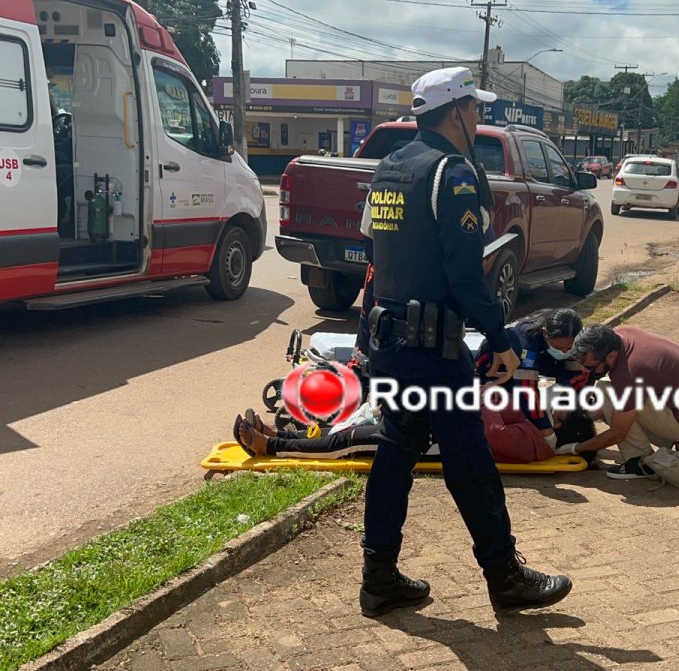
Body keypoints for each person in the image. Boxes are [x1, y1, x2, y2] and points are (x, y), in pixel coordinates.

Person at [356, 67, 572, 617]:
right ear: (455, 113)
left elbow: (376, 258)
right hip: (434, 350)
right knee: (469, 458)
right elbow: (464, 275)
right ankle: (504, 575)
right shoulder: (454, 173)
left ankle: (378, 576)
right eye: (475, 109)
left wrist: (367, 335)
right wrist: (501, 339)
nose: (479, 117)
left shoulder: (391, 167)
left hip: (392, 343)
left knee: (396, 451)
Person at [558, 324, 679, 480]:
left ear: (610, 356)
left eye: (591, 367)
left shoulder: (630, 373)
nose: (588, 371)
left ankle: (639, 461)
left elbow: (618, 434)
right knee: (614, 404)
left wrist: (575, 448)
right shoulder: (620, 336)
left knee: (607, 393)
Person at [232, 403, 596, 465]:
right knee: (353, 429)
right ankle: (279, 433)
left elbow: (492, 430)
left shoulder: (537, 443)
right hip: (433, 427)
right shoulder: (535, 424)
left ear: (562, 425)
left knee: (349, 442)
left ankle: (271, 447)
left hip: (433, 445)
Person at [473, 308, 592, 443]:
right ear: (545, 333)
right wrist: (547, 433)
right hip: (496, 371)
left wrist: (558, 394)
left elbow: (581, 373)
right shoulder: (525, 344)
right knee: (512, 411)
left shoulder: (576, 342)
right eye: (559, 347)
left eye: (569, 347)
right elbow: (526, 392)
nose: (565, 351)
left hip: (539, 365)